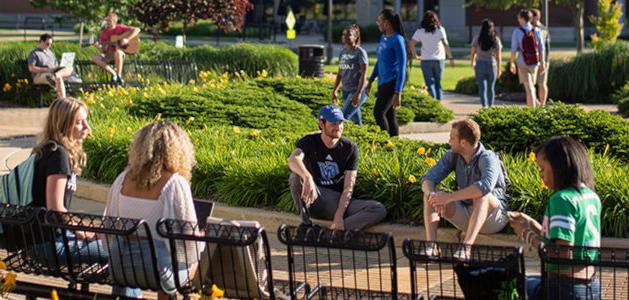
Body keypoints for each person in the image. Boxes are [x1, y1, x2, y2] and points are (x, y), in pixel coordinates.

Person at [103, 121, 199, 299]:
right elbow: (187, 246)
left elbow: (108, 228)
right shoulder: (174, 184)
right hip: (158, 272)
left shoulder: (122, 180)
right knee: (197, 257)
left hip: (121, 267)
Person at [508, 136, 601, 300]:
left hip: (564, 287)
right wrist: (531, 224)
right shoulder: (590, 196)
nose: (540, 175)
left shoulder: (562, 199)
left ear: (559, 165)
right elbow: (564, 237)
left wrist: (526, 234)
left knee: (509, 284)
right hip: (590, 286)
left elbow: (561, 253)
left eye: (542, 168)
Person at [29, 97, 105, 264]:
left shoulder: (49, 149)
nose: (87, 127)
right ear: (63, 125)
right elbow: (55, 209)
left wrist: (82, 227)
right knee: (119, 252)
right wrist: (81, 231)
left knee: (113, 244)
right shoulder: (58, 155)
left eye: (86, 120)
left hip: (42, 238)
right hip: (48, 243)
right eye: (79, 122)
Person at [287, 105, 387, 231]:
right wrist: (307, 177)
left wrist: (338, 216)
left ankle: (330, 232)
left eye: (340, 122)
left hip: (336, 202)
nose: (338, 127)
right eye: (333, 123)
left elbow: (348, 187)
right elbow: (293, 160)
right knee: (296, 177)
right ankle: (306, 225)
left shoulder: (350, 148)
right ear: (322, 124)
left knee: (378, 209)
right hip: (313, 198)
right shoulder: (309, 141)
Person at [421, 119, 509, 259]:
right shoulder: (452, 156)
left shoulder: (487, 157)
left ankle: (466, 248)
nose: (449, 141)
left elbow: (485, 186)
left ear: (463, 142)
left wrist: (448, 197)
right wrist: (434, 195)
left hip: (493, 218)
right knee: (430, 195)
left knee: (482, 195)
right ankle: (432, 247)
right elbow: (427, 179)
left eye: (452, 138)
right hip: (466, 214)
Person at [365, 9, 408, 137]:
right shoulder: (383, 38)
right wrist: (371, 80)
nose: (378, 23)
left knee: (378, 112)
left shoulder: (398, 40)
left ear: (387, 23)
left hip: (393, 81)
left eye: (379, 21)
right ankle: (394, 144)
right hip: (383, 81)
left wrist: (398, 92)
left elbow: (402, 66)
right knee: (389, 115)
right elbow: (380, 61)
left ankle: (385, 142)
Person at [409, 10, 455, 101]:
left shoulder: (420, 31)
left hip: (425, 60)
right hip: (439, 60)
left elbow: (411, 44)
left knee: (430, 84)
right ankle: (439, 104)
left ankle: (434, 104)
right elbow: (446, 44)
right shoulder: (440, 30)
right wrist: (451, 58)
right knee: (438, 83)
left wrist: (415, 55)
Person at [331, 24, 369, 126]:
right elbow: (340, 73)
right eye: (344, 34)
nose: (345, 36)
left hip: (356, 91)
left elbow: (364, 75)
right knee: (356, 121)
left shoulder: (360, 52)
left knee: (342, 116)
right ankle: (363, 138)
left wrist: (358, 93)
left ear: (355, 37)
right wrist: (335, 90)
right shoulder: (342, 53)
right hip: (346, 91)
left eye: (349, 35)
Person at [509, 9, 545, 108]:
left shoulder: (517, 31)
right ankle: (536, 106)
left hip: (522, 62)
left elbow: (513, 49)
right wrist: (543, 63)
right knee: (532, 87)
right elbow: (542, 48)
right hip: (534, 63)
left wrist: (512, 63)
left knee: (529, 89)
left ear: (522, 19)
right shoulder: (537, 30)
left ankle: (531, 111)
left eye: (519, 18)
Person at [92, 11, 140, 84]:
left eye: (109, 21)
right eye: (106, 20)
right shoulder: (103, 33)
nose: (107, 22)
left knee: (118, 52)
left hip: (120, 54)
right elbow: (104, 50)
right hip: (109, 55)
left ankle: (119, 76)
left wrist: (127, 39)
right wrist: (98, 47)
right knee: (95, 58)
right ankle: (114, 74)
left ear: (114, 21)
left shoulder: (120, 27)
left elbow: (137, 29)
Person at [27, 34, 74, 99]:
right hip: (39, 76)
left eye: (51, 44)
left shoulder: (50, 53)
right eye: (47, 44)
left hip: (53, 73)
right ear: (41, 42)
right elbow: (31, 68)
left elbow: (56, 65)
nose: (49, 46)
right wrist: (47, 70)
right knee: (58, 78)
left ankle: (56, 75)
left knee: (70, 68)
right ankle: (63, 100)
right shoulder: (34, 53)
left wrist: (59, 67)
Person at [470, 19, 502, 108]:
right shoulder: (496, 39)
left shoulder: (477, 38)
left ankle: (484, 106)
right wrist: (499, 68)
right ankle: (491, 106)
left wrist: (472, 62)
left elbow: (473, 52)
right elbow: (499, 56)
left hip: (480, 64)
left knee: (482, 88)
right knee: (491, 88)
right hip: (492, 65)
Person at [531, 8, 550, 106]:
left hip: (542, 60)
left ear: (537, 17)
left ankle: (542, 105)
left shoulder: (542, 29)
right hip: (531, 60)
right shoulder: (528, 28)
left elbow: (545, 46)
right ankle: (536, 103)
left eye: (532, 16)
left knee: (541, 83)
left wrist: (545, 61)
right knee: (531, 84)